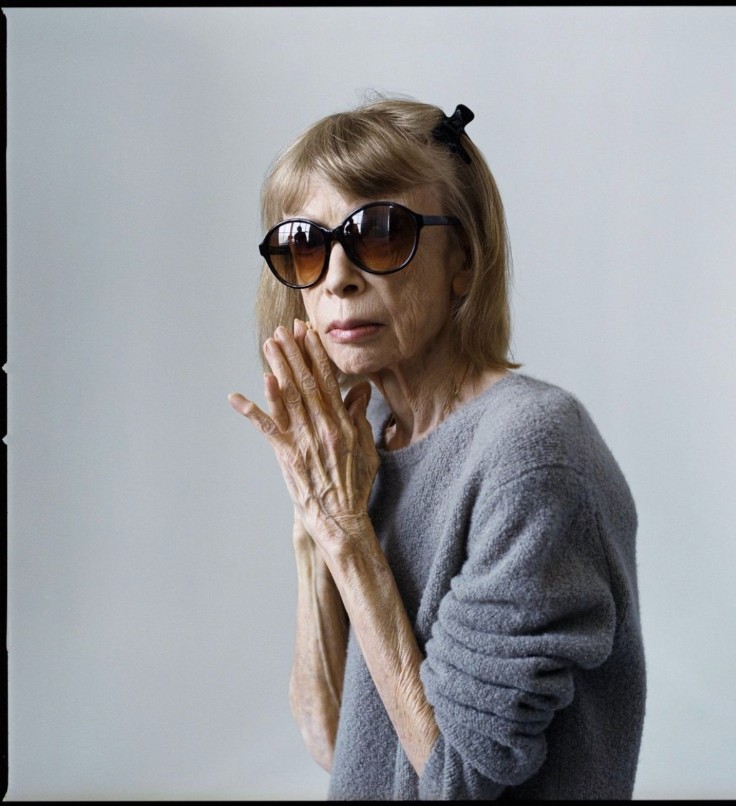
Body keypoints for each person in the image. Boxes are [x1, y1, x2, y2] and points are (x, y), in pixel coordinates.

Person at [228, 96, 646, 800]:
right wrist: (312, 525)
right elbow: (333, 738)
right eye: (305, 244)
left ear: (465, 261)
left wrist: (346, 533)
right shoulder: (365, 437)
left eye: (380, 233)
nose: (337, 277)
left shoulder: (533, 452)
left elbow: (460, 780)